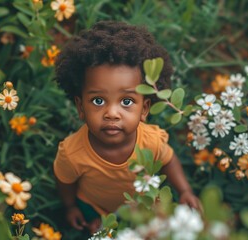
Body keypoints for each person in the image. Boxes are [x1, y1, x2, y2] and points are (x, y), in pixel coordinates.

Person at [53, 21, 201, 234]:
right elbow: (64, 180)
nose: (112, 113)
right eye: (98, 101)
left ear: (145, 108)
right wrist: (70, 206)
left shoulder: (151, 140)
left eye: (126, 102)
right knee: (96, 228)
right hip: (95, 205)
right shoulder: (72, 152)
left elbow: (168, 160)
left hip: (144, 203)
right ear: (80, 107)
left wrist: (185, 190)